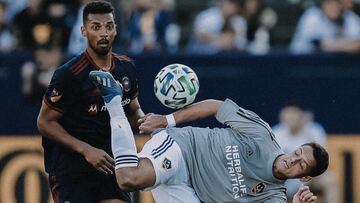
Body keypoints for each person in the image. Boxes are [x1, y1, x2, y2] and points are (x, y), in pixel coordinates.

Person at [89, 70, 328, 203]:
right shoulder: (263, 135)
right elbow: (215, 106)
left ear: (304, 177)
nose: (293, 160)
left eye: (301, 165)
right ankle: (113, 100)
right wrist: (167, 120)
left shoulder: (272, 197)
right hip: (184, 149)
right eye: (297, 153)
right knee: (129, 178)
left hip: (188, 192)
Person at [37, 1, 145, 203]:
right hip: (71, 169)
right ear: (84, 31)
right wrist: (86, 149)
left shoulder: (126, 68)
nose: (104, 32)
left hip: (109, 164)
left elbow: (134, 109)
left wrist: (147, 121)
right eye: (96, 27)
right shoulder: (69, 75)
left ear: (115, 30)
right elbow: (44, 122)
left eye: (109, 26)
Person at [273, 103, 339, 203]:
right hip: (285, 177)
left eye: (294, 114)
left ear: (301, 115)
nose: (291, 117)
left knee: (330, 180)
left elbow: (321, 162)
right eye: (288, 114)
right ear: (282, 116)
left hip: (310, 176)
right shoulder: (276, 132)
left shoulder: (314, 130)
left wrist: (306, 130)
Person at [290, 0, 360, 54]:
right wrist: (348, 46)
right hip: (301, 63)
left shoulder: (349, 17)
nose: (335, 7)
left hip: (332, 65)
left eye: (338, 3)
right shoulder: (312, 15)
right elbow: (319, 44)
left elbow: (358, 44)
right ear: (324, 3)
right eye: (330, 2)